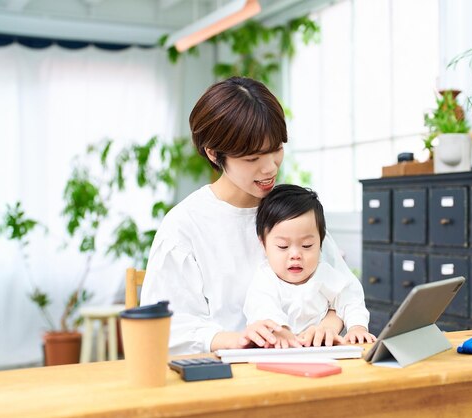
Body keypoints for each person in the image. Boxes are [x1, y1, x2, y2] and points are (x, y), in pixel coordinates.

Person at [140, 76, 358, 355]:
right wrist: (238, 339)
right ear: (214, 154)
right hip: (228, 375)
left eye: (276, 149)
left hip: (308, 365)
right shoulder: (185, 225)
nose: (270, 168)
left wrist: (328, 326)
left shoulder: (291, 210)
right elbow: (166, 326)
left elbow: (340, 291)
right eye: (252, 158)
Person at [244, 184, 376, 348]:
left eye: (307, 246)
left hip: (320, 350)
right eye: (283, 247)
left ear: (320, 243)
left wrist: (357, 327)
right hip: (278, 351)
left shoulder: (323, 273)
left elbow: (350, 298)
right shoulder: (266, 278)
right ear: (264, 244)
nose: (295, 255)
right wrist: (281, 331)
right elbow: (261, 307)